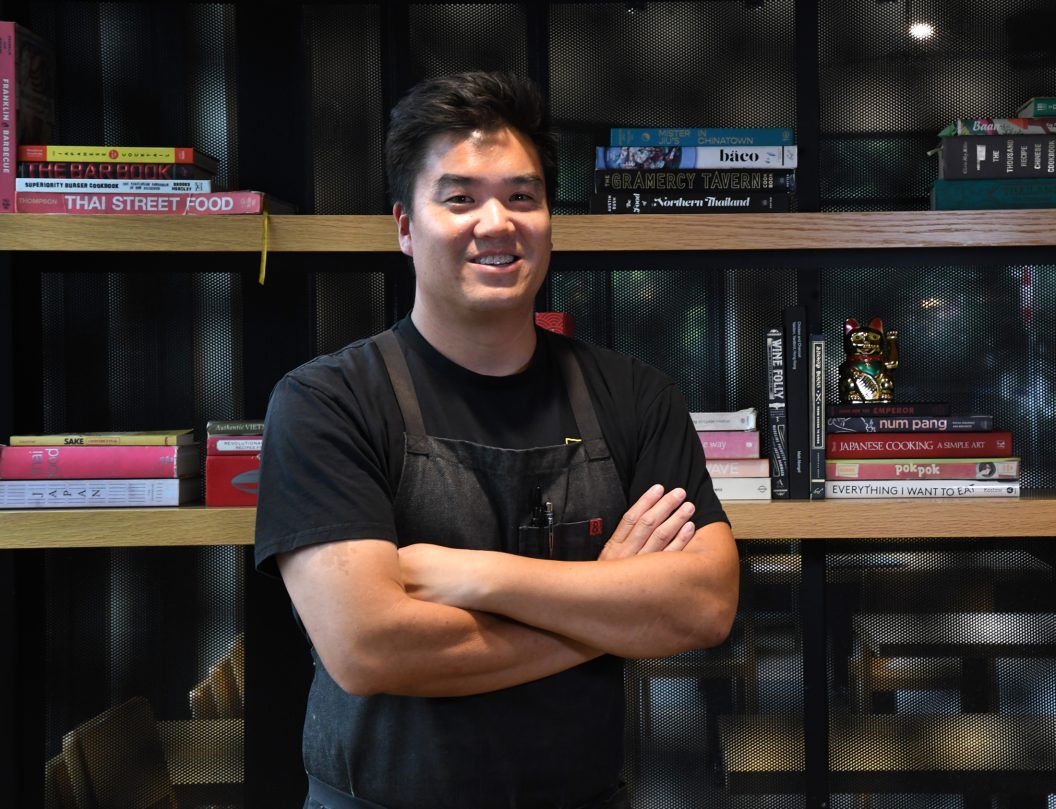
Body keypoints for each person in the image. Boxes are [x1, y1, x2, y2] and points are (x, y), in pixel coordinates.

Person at [253, 70, 740, 809]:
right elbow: (367, 645)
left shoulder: (636, 395)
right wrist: (610, 614)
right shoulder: (327, 403)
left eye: (523, 197)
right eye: (459, 198)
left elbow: (703, 605)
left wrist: (481, 575)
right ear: (405, 226)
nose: (497, 221)